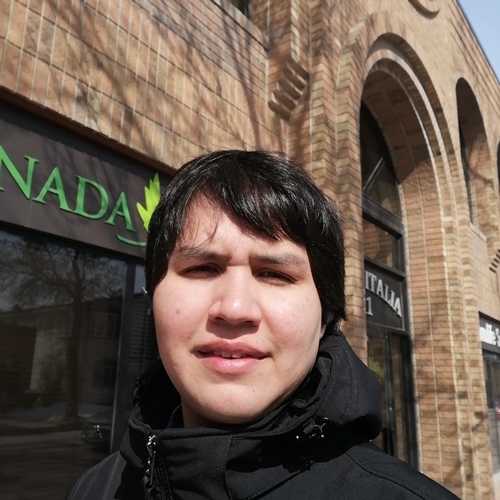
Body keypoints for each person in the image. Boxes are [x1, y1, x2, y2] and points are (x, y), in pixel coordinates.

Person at [66, 150, 459, 499]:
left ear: (326, 317)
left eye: (274, 274)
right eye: (202, 268)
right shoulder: (95, 489)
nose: (235, 308)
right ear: (154, 298)